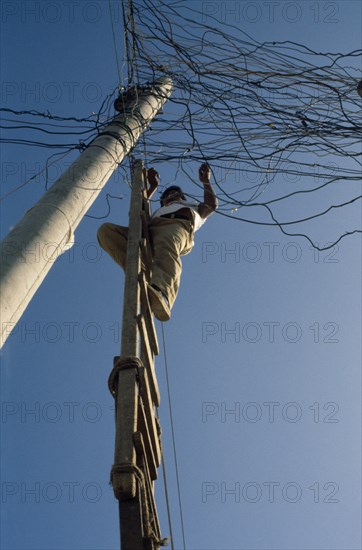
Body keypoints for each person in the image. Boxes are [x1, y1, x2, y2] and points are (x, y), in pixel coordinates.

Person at [97, 163, 218, 321]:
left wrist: (206, 181)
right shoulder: (157, 212)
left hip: (176, 226)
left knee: (167, 245)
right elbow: (137, 210)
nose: (171, 196)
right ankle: (138, 270)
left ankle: (163, 294)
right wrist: (153, 186)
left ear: (182, 197)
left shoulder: (192, 206)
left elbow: (211, 205)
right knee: (106, 231)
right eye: (167, 195)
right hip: (150, 231)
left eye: (175, 193)